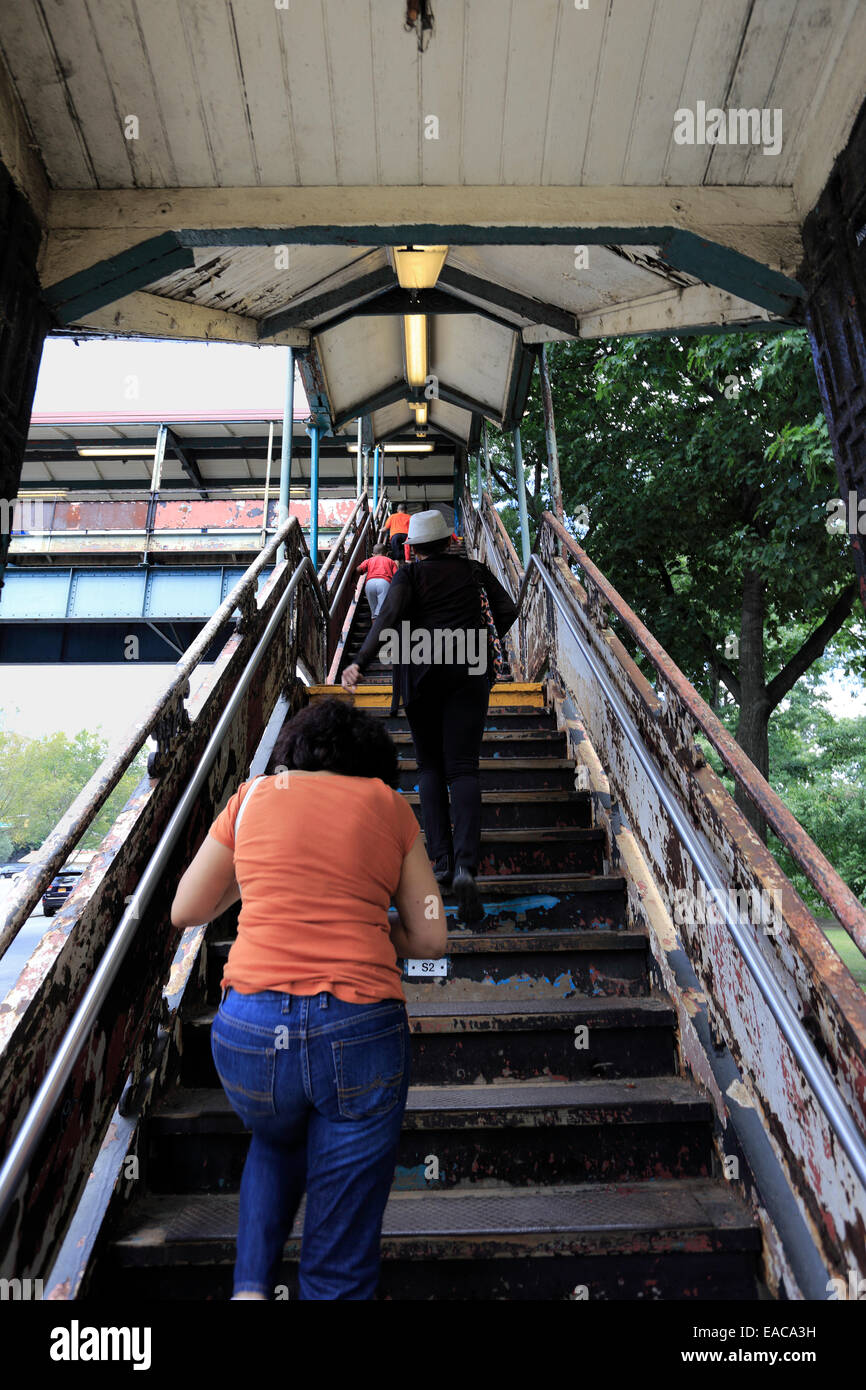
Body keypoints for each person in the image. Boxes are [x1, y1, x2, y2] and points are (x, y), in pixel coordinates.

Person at [170, 698, 447, 1301]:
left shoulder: (251, 798)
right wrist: (379, 927)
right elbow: (431, 939)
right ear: (372, 764)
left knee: (274, 1138)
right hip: (358, 1033)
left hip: (247, 1033)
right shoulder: (389, 807)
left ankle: (248, 1291)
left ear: (292, 751)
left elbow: (185, 910)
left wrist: (259, 880)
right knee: (339, 1262)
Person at [342, 510, 518, 924]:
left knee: (430, 767)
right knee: (464, 769)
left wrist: (361, 663)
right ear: (449, 541)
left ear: (414, 548)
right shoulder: (474, 572)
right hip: (469, 673)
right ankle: (465, 867)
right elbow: (507, 611)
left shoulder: (409, 575)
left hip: (420, 674)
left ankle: (440, 859)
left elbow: (385, 619)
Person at [356, 543, 398, 616]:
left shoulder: (369, 560)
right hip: (384, 583)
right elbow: (397, 576)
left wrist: (353, 581)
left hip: (369, 584)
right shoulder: (390, 561)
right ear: (387, 553)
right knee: (383, 610)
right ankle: (383, 626)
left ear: (373, 554)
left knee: (374, 611)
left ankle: (375, 626)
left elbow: (358, 569)